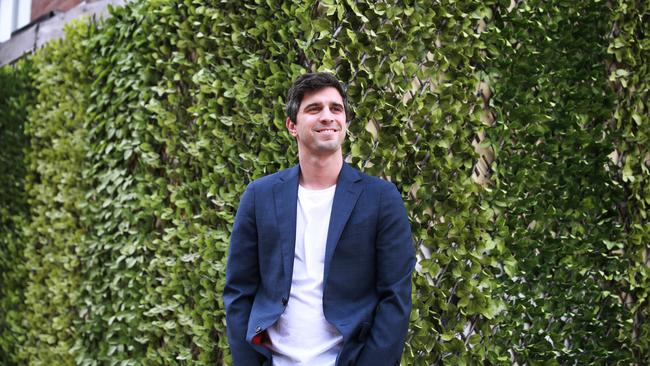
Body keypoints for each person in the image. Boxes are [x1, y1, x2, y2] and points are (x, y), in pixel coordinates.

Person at [223, 72, 415, 366]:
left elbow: (395, 298)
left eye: (336, 109)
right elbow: (239, 291)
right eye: (314, 109)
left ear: (346, 123)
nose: (328, 116)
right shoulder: (259, 196)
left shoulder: (381, 199)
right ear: (292, 126)